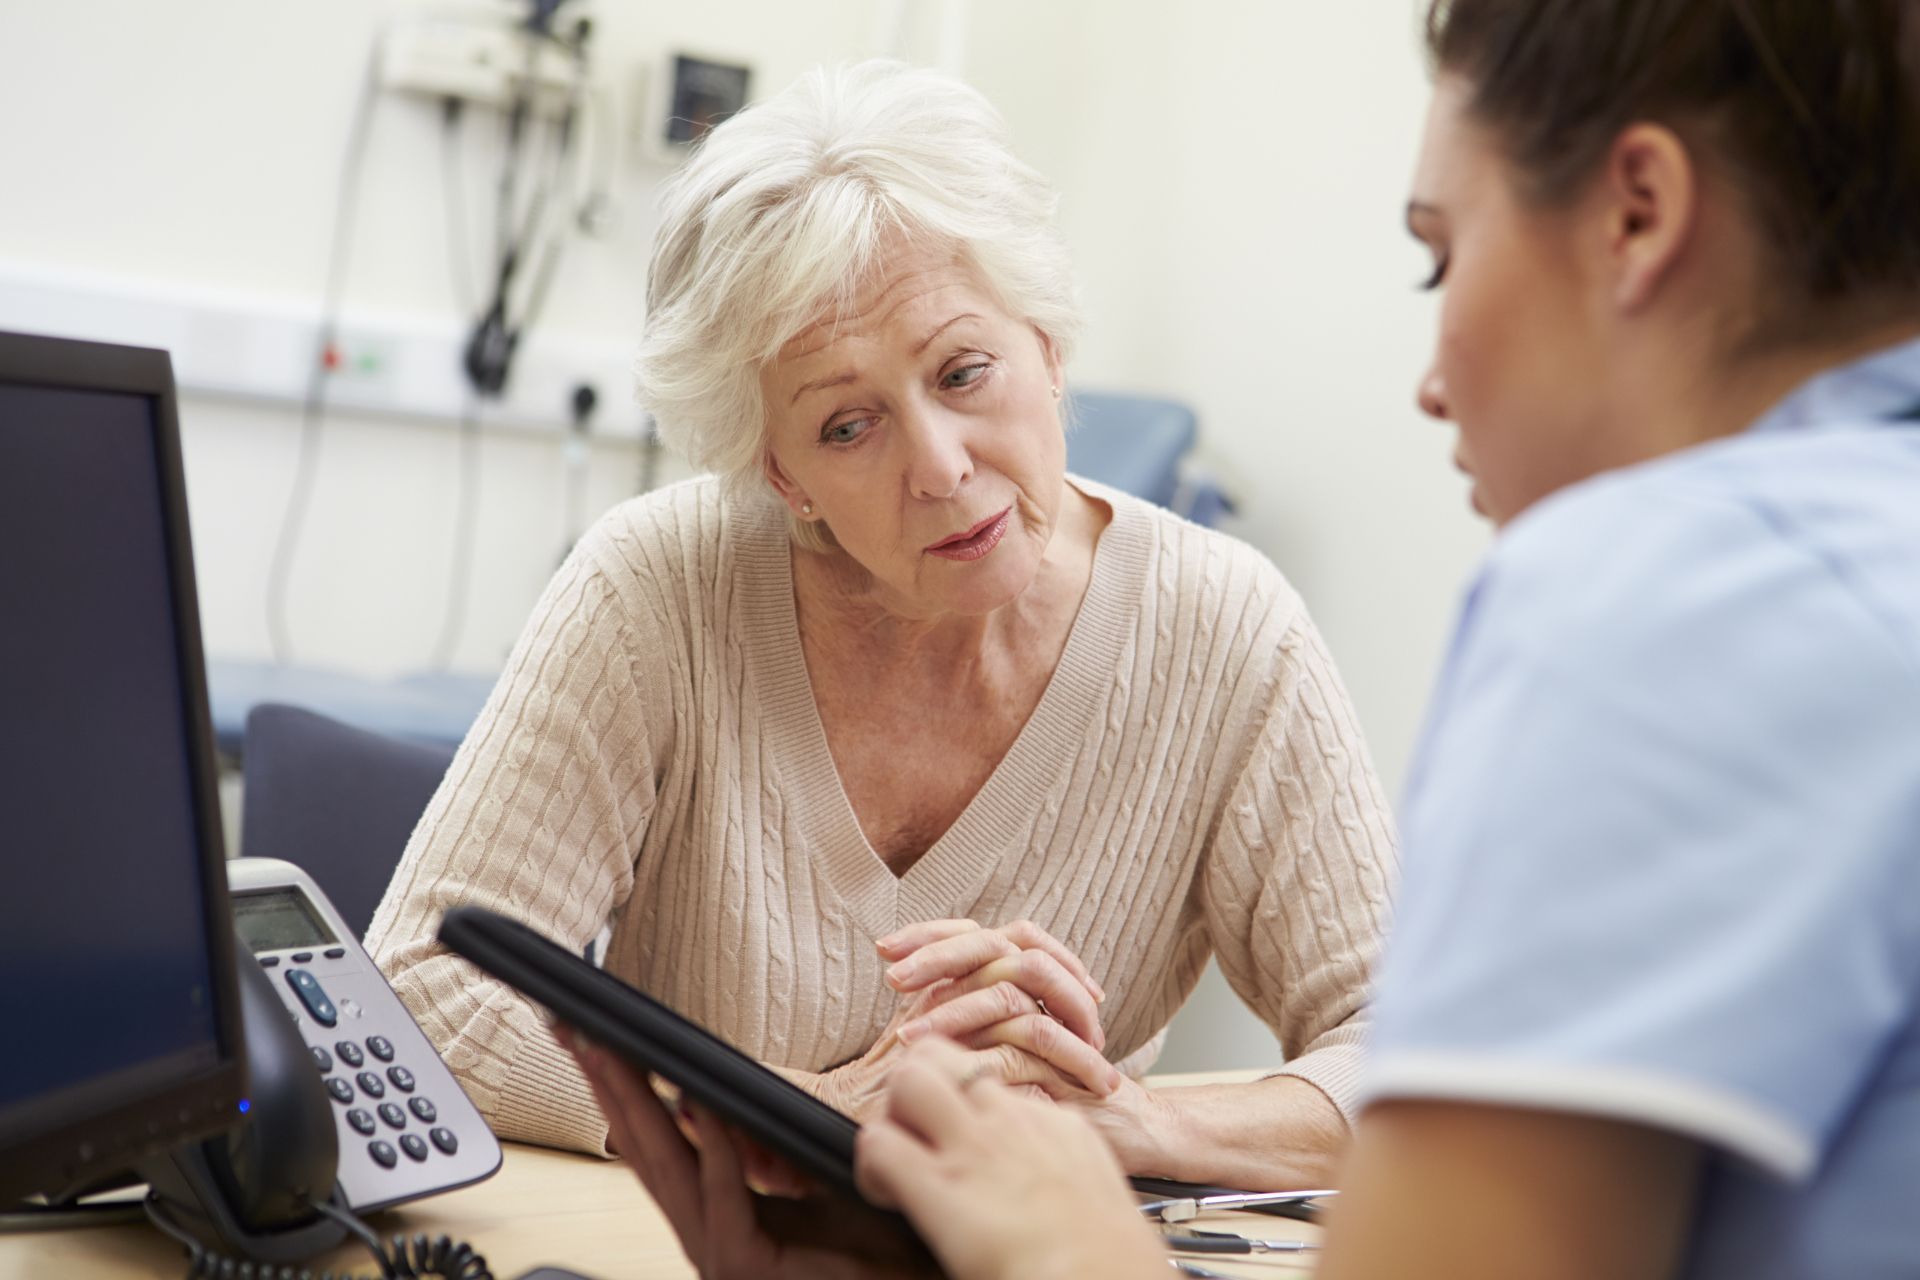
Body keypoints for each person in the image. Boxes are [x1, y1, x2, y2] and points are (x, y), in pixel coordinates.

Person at [568, 1, 1920, 1277]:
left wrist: (1062, 1223)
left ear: (1638, 213)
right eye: (847, 424)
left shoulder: (1655, 597)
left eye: (1438, 253)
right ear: (784, 472)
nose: (1432, 378)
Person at [366, 58, 1398, 1191]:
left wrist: (1130, 1125)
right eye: (849, 426)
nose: (942, 466)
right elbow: (422, 985)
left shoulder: (1228, 630)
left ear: (1047, 352)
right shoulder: (655, 588)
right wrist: (793, 1121)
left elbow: (1415, 1058)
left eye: (965, 371)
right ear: (783, 473)